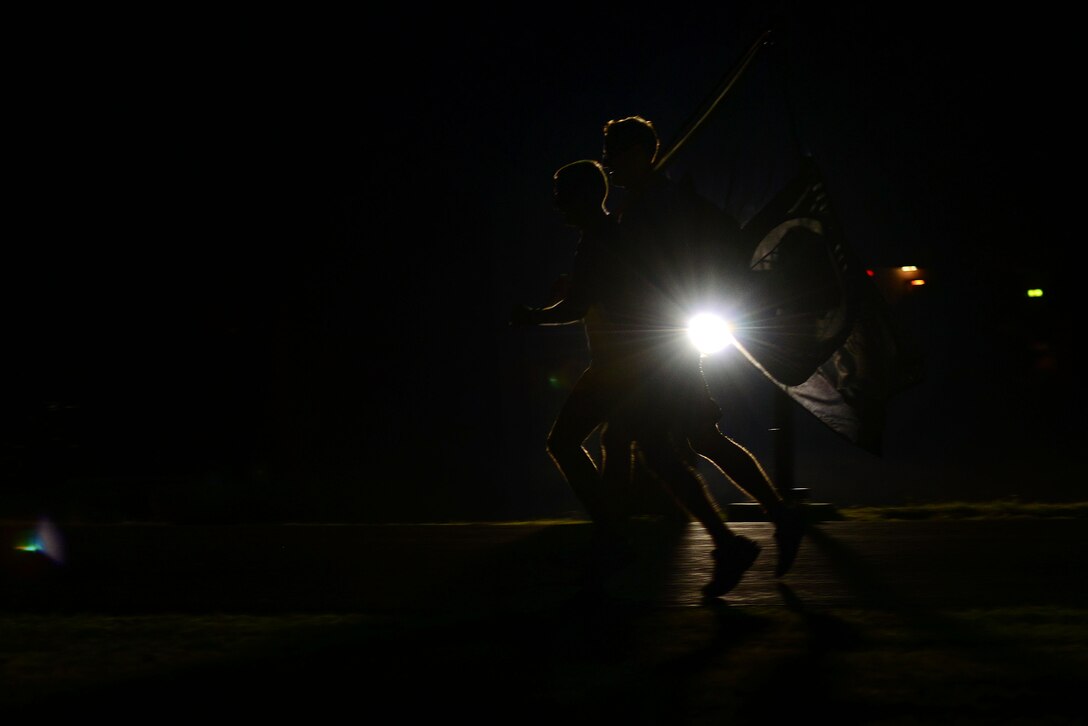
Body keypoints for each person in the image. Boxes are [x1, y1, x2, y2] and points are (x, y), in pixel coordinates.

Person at [512, 159, 760, 596]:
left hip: (620, 368)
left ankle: (616, 537)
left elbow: (577, 306)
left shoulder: (599, 240)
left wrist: (533, 316)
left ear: (585, 197)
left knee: (568, 443)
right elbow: (594, 296)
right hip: (633, 365)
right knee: (656, 454)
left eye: (562, 196)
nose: (557, 205)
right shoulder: (612, 234)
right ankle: (718, 542)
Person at [600, 115, 806, 582]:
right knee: (691, 438)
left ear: (640, 154)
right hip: (659, 340)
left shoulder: (662, 205)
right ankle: (762, 524)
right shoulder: (654, 203)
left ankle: (732, 539)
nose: (610, 164)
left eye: (615, 154)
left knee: (658, 443)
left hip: (660, 343)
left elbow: (665, 266)